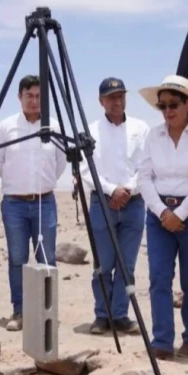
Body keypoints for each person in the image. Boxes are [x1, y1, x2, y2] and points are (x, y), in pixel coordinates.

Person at [137, 74, 188, 360]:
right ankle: (161, 341)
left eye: (173, 104)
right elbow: (144, 177)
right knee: (159, 277)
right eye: (162, 106)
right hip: (159, 213)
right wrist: (163, 212)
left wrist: (180, 214)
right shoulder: (152, 135)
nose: (168, 111)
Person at [0, 75, 66, 331]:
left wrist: (40, 186)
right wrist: (19, 185)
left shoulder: (53, 127)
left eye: (39, 96)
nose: (34, 101)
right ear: (20, 97)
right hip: (15, 205)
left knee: (47, 258)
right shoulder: (6, 127)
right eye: (29, 95)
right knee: (17, 259)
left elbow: (60, 163)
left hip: (46, 203)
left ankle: (47, 312)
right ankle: (20, 311)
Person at [79, 77, 149, 335]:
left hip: (134, 204)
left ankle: (120, 314)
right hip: (103, 203)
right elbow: (86, 169)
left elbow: (146, 165)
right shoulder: (91, 131)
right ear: (101, 101)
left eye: (121, 95)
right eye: (111, 97)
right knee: (103, 264)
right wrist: (111, 190)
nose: (117, 101)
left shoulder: (141, 128)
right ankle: (102, 314)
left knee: (126, 264)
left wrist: (127, 189)